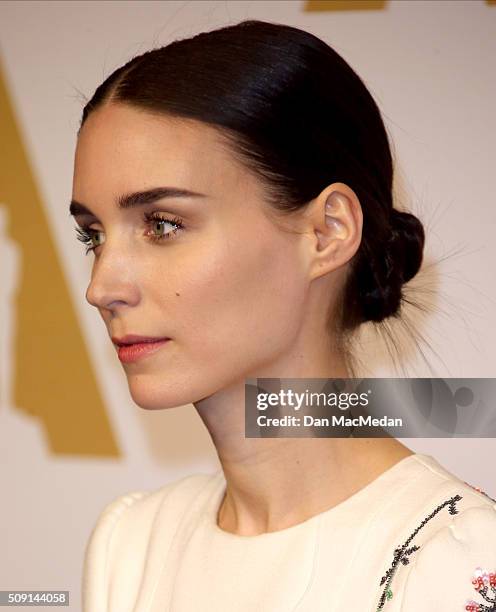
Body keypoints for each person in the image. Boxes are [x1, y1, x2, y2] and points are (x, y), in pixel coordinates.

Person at [71, 19, 496, 612]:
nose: (101, 286)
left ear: (327, 232)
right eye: (92, 234)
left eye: (163, 224)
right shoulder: (133, 545)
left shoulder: (451, 564)